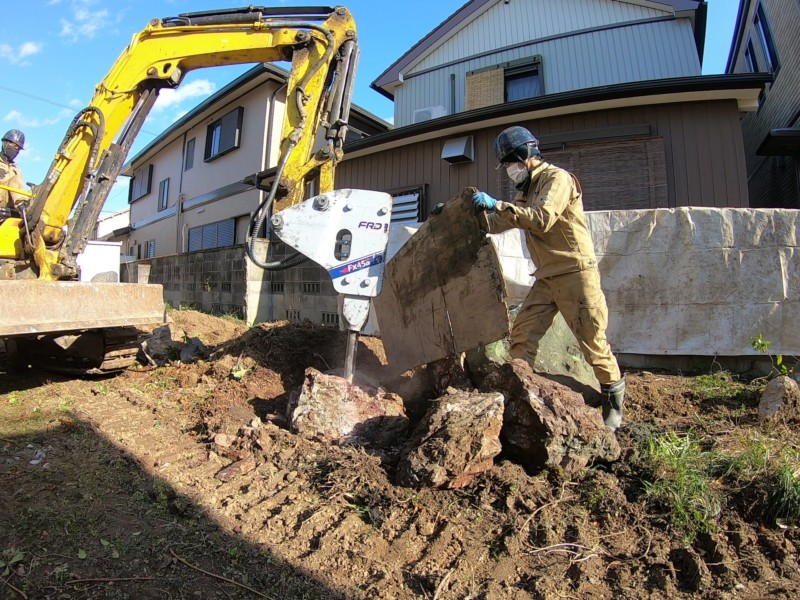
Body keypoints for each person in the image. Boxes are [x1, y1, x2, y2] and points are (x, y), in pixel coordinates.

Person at [471, 125, 625, 431]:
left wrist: (498, 204)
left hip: (574, 273)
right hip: (547, 277)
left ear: (524, 156)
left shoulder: (557, 180)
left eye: (509, 164)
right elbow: (499, 220)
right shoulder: (525, 191)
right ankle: (518, 393)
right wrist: (464, 215)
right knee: (523, 334)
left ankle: (614, 404)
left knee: (593, 342)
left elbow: (541, 219)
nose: (508, 171)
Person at [0, 129, 27, 211]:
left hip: (10, 206)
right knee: (15, 179)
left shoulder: (16, 170)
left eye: (18, 149)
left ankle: (25, 207)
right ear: (5, 143)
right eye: (15, 147)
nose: (16, 151)